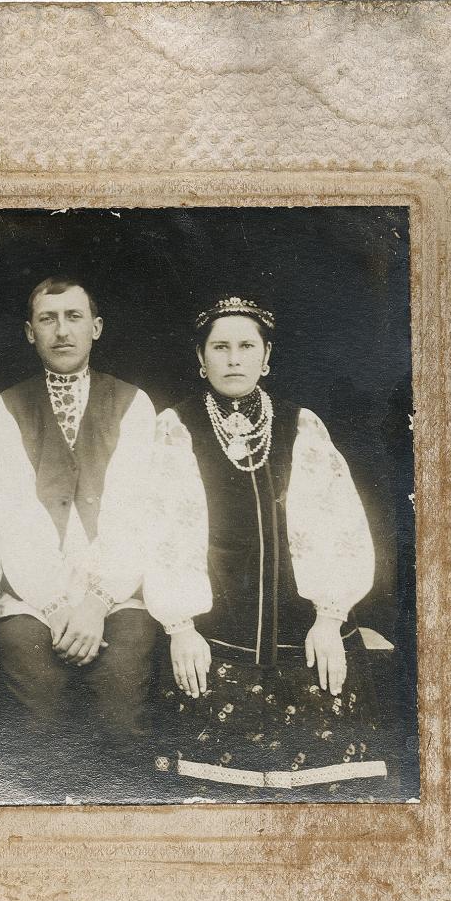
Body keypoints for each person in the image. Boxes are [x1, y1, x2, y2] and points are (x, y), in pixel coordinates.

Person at [145, 295, 386, 792]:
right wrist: (181, 625)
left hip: (305, 624)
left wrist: (330, 617)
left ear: (266, 356)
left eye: (246, 346)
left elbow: (337, 523)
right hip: (213, 628)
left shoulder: (301, 425)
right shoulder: (176, 427)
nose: (233, 358)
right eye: (220, 347)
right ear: (200, 358)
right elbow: (164, 531)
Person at [0, 276, 159, 772]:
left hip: (117, 594)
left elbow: (134, 515)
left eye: (73, 317)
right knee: (37, 715)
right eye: (48, 319)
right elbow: (12, 518)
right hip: (35, 598)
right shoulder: (6, 409)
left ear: (96, 328)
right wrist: (58, 604)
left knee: (120, 711)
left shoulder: (133, 404)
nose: (61, 331)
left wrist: (96, 604)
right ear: (29, 332)